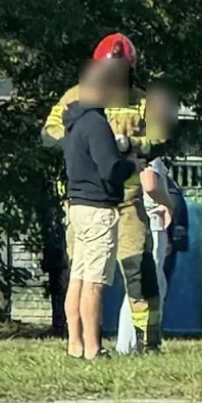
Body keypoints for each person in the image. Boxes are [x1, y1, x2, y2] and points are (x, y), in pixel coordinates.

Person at [42, 33, 166, 353]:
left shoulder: (142, 100)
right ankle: (84, 342)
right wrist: (86, 143)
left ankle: (148, 341)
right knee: (82, 276)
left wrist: (130, 144)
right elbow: (48, 135)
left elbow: (160, 137)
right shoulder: (74, 98)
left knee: (139, 271)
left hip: (128, 201)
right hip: (84, 200)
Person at [61, 63, 142, 360]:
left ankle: (75, 344)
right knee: (94, 282)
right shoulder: (96, 124)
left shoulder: (74, 122)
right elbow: (109, 168)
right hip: (99, 209)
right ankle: (94, 348)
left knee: (78, 278)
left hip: (78, 205)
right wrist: (131, 166)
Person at [115, 85, 179, 353]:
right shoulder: (143, 145)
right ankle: (134, 344)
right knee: (144, 286)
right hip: (149, 221)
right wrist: (169, 204)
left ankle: (143, 342)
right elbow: (150, 182)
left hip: (146, 219)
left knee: (146, 286)